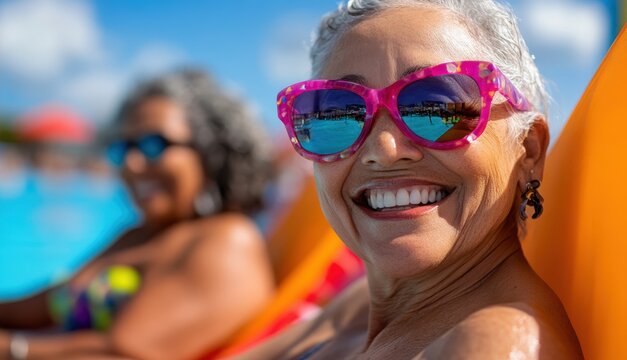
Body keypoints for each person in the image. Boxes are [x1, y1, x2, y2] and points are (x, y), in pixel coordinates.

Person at [240, 0, 583, 358]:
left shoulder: (489, 346)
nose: (384, 149)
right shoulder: (362, 305)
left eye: (438, 106)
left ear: (528, 150)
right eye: (338, 112)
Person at [0, 69, 275, 360]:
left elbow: (126, 354)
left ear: (211, 152)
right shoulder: (137, 235)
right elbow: (32, 308)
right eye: (124, 148)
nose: (132, 164)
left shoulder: (228, 241)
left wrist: (5, 349)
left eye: (153, 145)